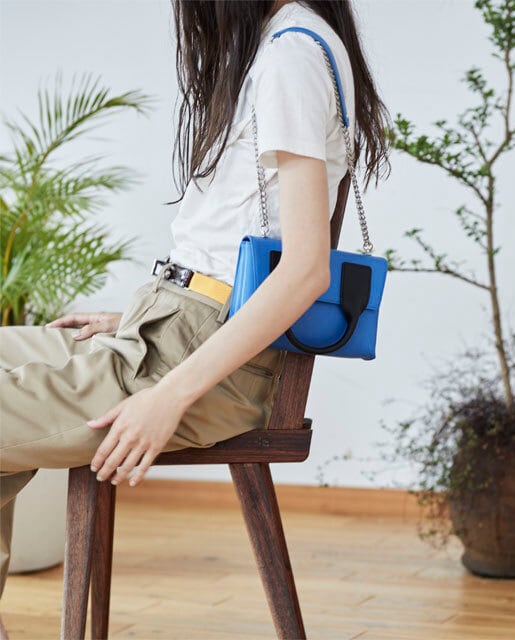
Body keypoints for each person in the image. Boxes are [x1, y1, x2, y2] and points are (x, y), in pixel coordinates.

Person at [0, 0, 389, 633]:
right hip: (171, 326)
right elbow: (227, 248)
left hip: (200, 362)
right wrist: (137, 316)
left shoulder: (292, 54)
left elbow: (306, 271)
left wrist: (167, 397)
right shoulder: (279, 45)